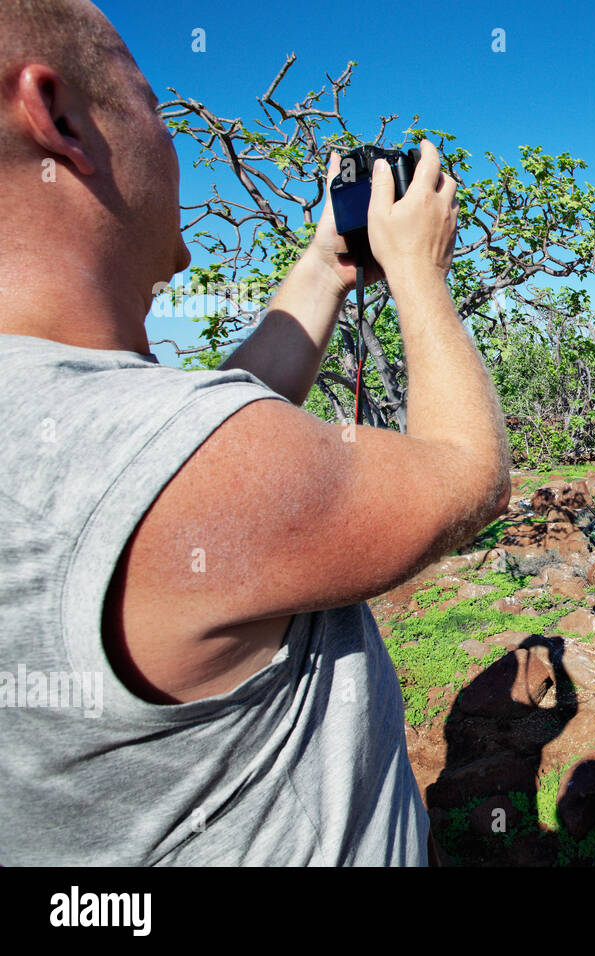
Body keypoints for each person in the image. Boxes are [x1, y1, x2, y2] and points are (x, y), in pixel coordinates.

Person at [0, 0, 510, 864]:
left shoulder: (66, 427)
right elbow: (469, 476)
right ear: (57, 117)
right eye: (151, 104)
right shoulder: (159, 462)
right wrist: (420, 274)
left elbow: (190, 442)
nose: (172, 145)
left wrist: (323, 269)